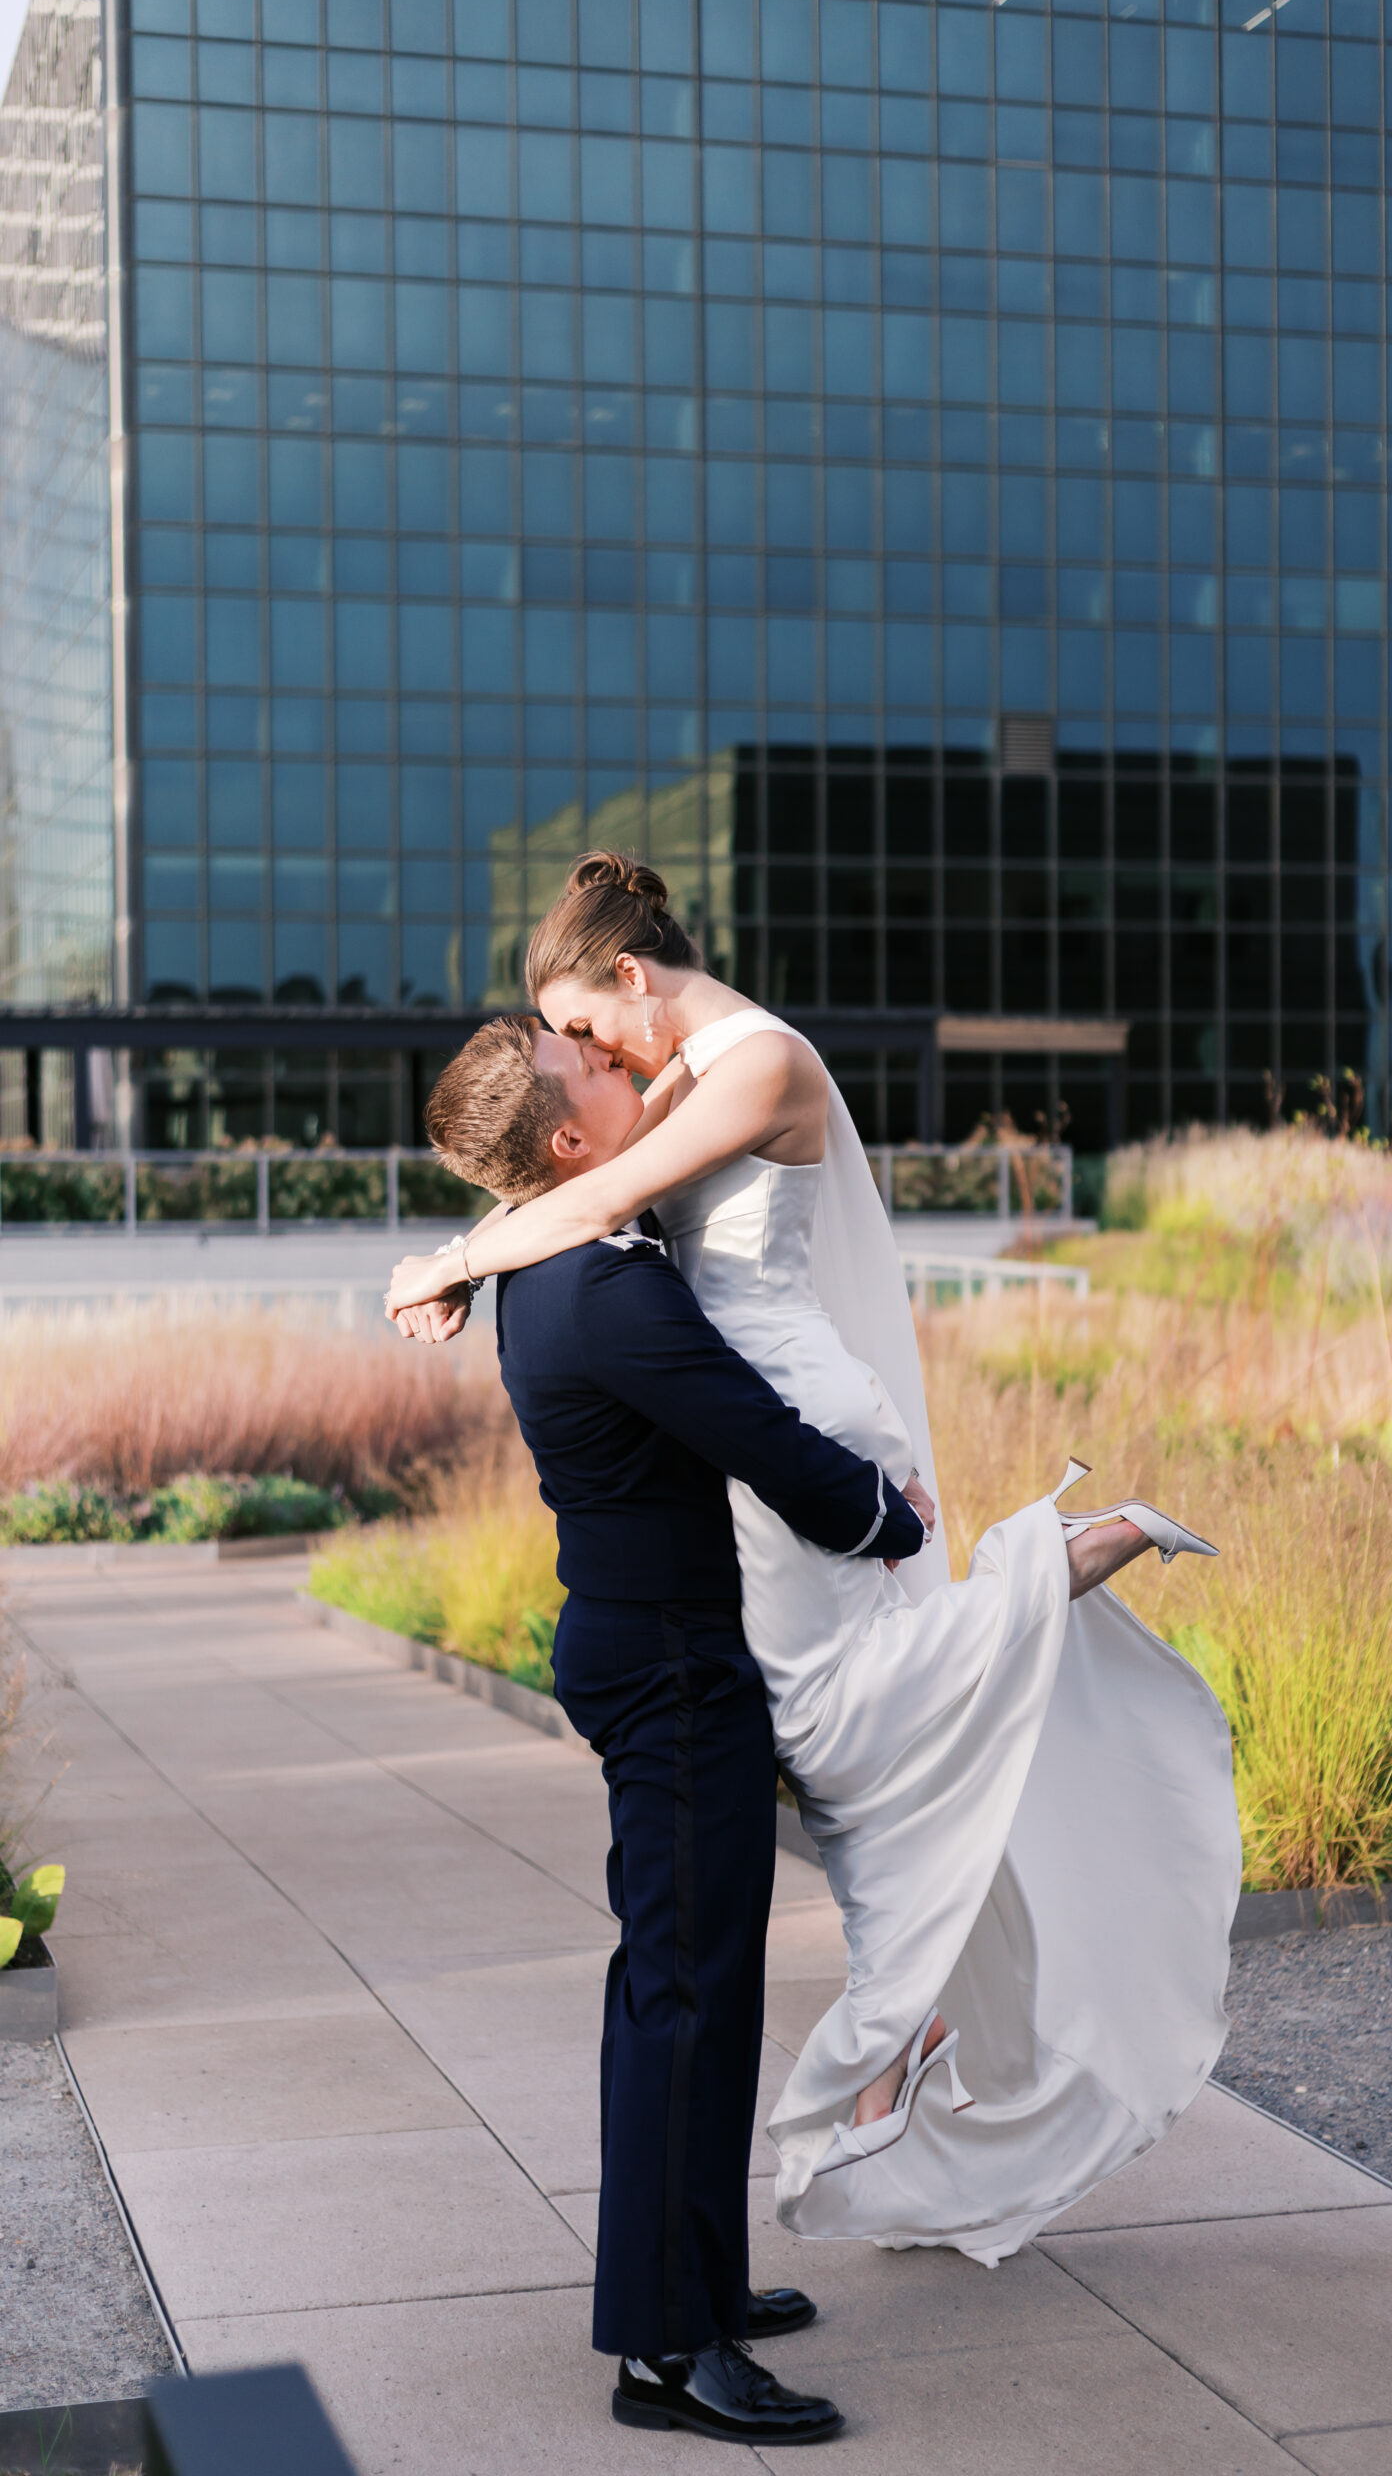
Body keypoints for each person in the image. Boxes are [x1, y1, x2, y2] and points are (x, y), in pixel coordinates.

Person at [391, 853, 1242, 2271]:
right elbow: (565, 1181)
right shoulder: (672, 1072)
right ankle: (910, 2018)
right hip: (757, 1428)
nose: (600, 1065)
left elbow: (589, 1198)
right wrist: (457, 1254)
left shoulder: (753, 1067)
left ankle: (1056, 1575)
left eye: (586, 1032)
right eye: (579, 1057)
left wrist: (438, 1268)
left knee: (845, 1736)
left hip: (785, 1412)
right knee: (847, 1742)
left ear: (630, 979)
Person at [419, 1014, 928, 2444]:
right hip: (669, 1665)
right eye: (598, 1070)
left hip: (650, 1646)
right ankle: (669, 2350)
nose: (625, 1064)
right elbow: (753, 1431)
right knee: (686, 1999)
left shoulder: (560, 1251)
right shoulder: (603, 1290)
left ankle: (694, 2276)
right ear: (570, 1144)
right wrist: (883, 1514)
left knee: (681, 1981)